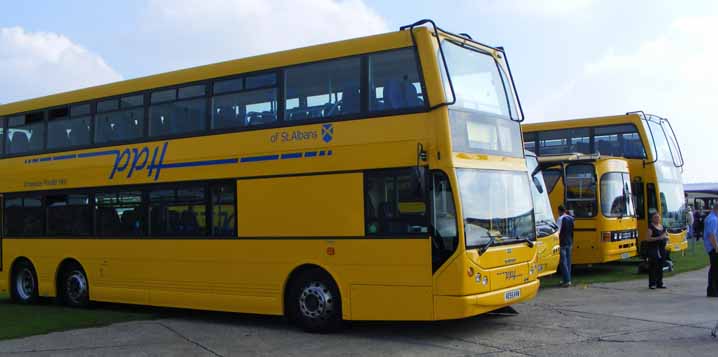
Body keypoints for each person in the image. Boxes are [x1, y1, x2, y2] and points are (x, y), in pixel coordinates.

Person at [646, 212, 669, 289]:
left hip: (662, 248)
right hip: (654, 249)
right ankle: (652, 283)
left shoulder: (662, 227)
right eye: (655, 217)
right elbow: (648, 239)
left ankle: (660, 283)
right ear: (652, 218)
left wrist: (666, 238)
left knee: (660, 265)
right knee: (653, 266)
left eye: (658, 217)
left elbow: (666, 235)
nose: (657, 218)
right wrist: (659, 238)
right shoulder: (651, 227)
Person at [556, 205, 574, 287]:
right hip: (569, 241)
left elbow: (558, 231)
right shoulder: (571, 218)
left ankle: (566, 281)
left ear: (560, 211)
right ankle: (567, 279)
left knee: (563, 262)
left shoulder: (560, 219)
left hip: (562, 242)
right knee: (568, 261)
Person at [702, 204, 718, 297]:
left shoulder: (712, 218)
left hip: (713, 247)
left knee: (714, 269)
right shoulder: (713, 219)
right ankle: (712, 291)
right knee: (715, 270)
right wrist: (716, 248)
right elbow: (712, 236)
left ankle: (713, 290)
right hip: (713, 248)